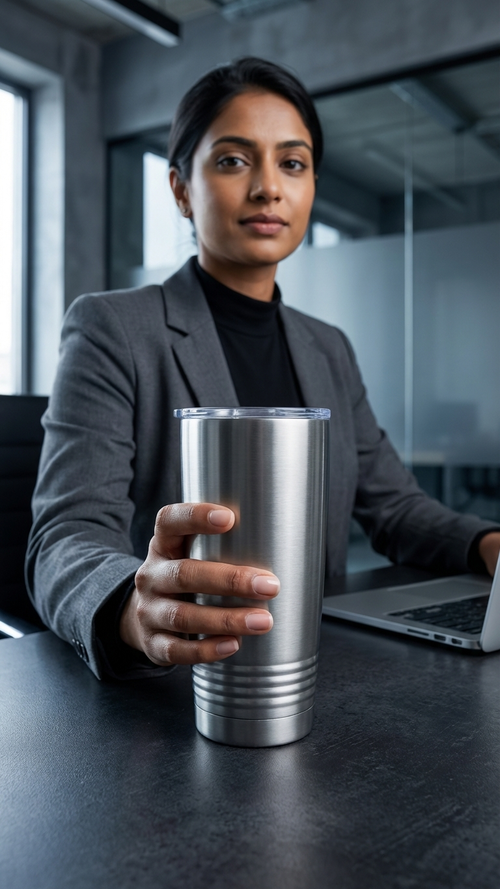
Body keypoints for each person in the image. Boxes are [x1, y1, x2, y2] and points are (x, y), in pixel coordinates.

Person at [26, 58, 500, 680]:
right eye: (232, 160)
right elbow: (65, 537)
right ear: (180, 189)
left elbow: (396, 508)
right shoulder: (113, 328)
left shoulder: (328, 346)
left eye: (293, 163)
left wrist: (489, 543)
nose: (268, 187)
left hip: (317, 664)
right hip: (185, 679)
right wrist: (130, 606)